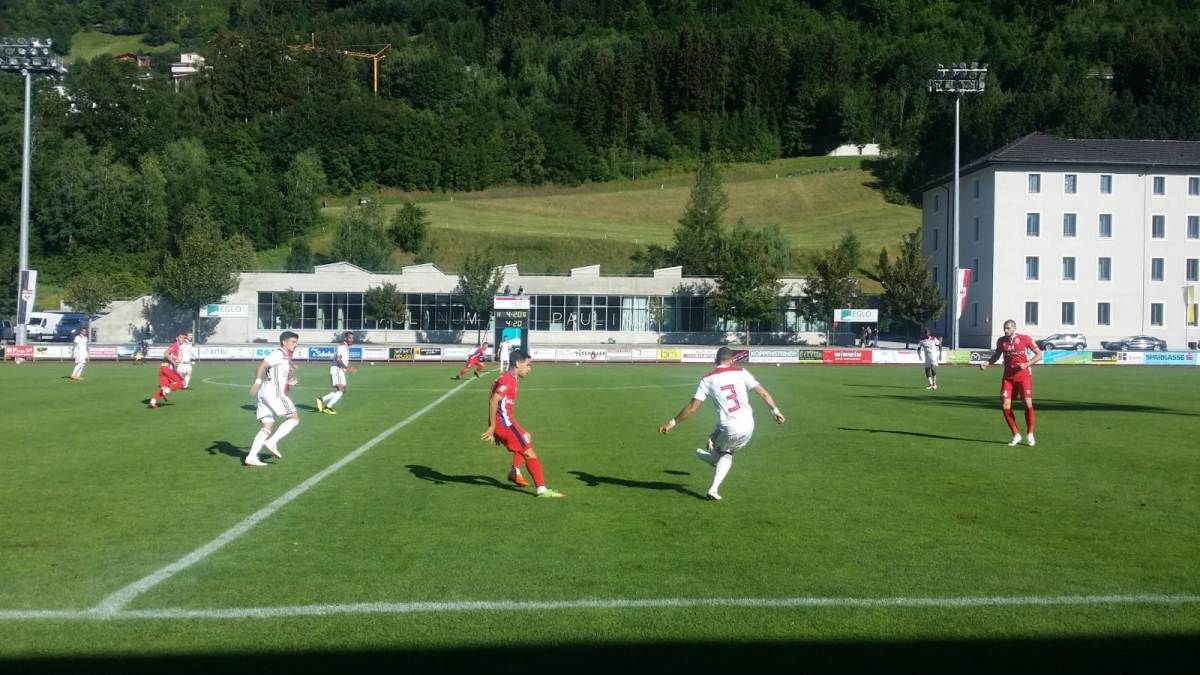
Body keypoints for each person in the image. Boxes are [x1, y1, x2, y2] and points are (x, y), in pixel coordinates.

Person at [658, 346, 786, 501]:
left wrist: (671, 423)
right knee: (725, 450)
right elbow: (764, 393)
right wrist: (775, 411)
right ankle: (711, 456)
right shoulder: (741, 372)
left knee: (723, 453)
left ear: (715, 361)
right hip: (749, 424)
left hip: (730, 427)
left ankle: (710, 470)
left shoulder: (707, 379)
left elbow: (692, 408)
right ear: (732, 360)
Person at [480, 349, 564, 498]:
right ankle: (542, 490)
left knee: (527, 436)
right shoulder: (508, 380)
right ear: (518, 364)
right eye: (528, 364)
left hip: (506, 421)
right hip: (505, 424)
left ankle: (515, 471)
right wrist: (493, 427)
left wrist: (493, 426)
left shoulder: (509, 377)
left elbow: (492, 397)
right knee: (530, 454)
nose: (529, 368)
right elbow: (493, 400)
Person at [978, 319, 1043, 446]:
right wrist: (987, 362)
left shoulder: (1025, 339)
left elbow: (1039, 354)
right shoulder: (1001, 341)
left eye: (1008, 328)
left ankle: (1030, 433)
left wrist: (1027, 364)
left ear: (1014, 328)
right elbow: (997, 355)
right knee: (1005, 406)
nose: (1005, 330)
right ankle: (1016, 434)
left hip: (1023, 377)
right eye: (1004, 328)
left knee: (1027, 404)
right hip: (1008, 378)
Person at [246, 331, 301, 467]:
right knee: (294, 418)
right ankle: (271, 442)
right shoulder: (279, 353)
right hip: (274, 393)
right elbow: (261, 365)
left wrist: (288, 382)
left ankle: (251, 457)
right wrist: (257, 382)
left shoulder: (285, 357)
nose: (295, 345)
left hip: (265, 393)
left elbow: (275, 375)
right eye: (293, 342)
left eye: (296, 342)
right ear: (284, 342)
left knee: (267, 426)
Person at [316, 332, 355, 415]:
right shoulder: (342, 347)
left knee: (342, 390)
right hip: (337, 370)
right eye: (350, 338)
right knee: (341, 390)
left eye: (352, 338)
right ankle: (327, 407)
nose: (352, 340)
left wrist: (346, 368)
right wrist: (347, 368)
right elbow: (338, 359)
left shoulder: (345, 347)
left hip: (340, 370)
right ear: (345, 338)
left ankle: (321, 400)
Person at [148, 330, 188, 409]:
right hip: (166, 369)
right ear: (177, 338)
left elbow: (174, 366)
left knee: (163, 388)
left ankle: (152, 402)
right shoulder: (175, 345)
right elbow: (166, 353)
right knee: (182, 382)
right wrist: (173, 361)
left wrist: (178, 373)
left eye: (184, 338)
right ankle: (166, 391)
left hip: (163, 369)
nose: (182, 339)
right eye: (181, 337)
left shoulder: (178, 349)